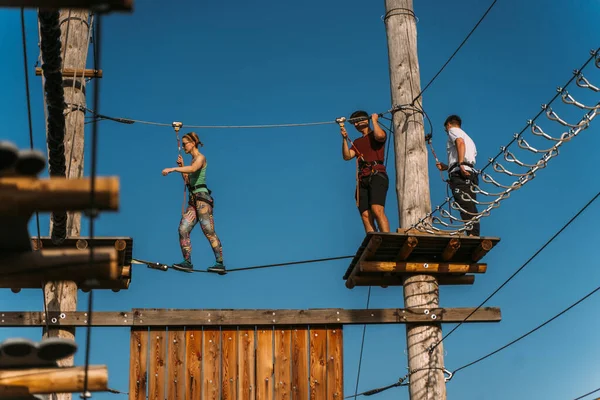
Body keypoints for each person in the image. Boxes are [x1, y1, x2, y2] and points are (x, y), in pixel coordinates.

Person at [161, 132, 226, 274]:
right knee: (183, 229)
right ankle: (187, 262)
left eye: (185, 144)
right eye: (183, 144)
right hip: (193, 200)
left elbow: (193, 169)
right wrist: (182, 166)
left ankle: (220, 263)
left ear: (193, 143)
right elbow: (188, 181)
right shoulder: (190, 161)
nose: (184, 146)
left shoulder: (200, 158)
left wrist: (173, 168)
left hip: (202, 199)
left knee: (208, 230)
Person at [340, 110, 391, 233]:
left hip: (376, 174)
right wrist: (344, 139)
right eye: (354, 123)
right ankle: (373, 239)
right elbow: (347, 156)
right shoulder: (357, 142)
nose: (356, 125)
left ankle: (387, 238)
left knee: (376, 209)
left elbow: (380, 137)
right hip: (363, 178)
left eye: (357, 121)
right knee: (365, 215)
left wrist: (374, 120)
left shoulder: (376, 134)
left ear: (365, 120)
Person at [435, 115, 480, 236]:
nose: (446, 132)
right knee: (469, 203)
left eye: (446, 129)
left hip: (460, 173)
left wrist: (459, 164)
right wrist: (447, 166)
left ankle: (472, 233)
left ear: (449, 125)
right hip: (470, 172)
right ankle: (473, 232)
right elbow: (467, 156)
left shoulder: (453, 131)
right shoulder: (469, 139)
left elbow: (460, 143)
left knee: (464, 204)